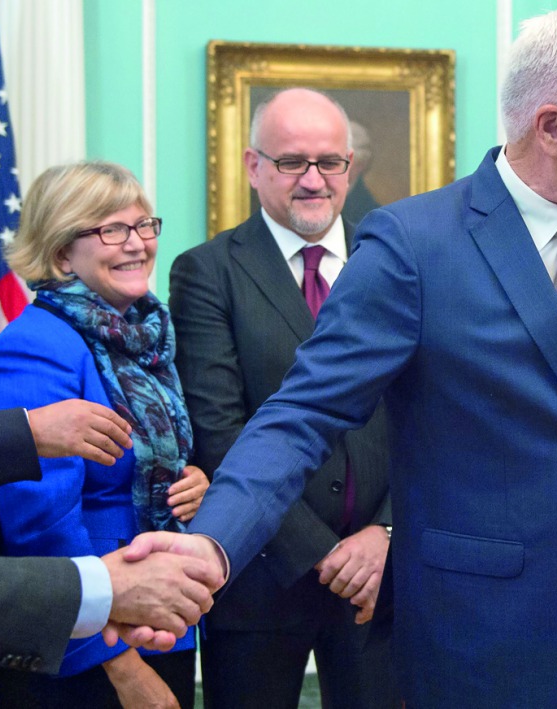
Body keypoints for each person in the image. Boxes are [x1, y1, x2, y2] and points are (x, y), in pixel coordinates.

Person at [130, 7, 557, 707]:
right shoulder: (415, 246)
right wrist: (214, 544)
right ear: (551, 125)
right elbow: (301, 415)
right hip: (492, 641)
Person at [168, 87, 394, 708]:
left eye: (330, 162)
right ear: (253, 166)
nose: (314, 180)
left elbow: (430, 415)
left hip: (381, 580)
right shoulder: (207, 271)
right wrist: (324, 556)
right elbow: (219, 429)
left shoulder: (397, 263)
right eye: (293, 162)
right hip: (260, 578)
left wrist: (385, 532)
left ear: (350, 166)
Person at [0, 162, 211, 708]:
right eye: (112, 230)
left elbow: (154, 459)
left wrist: (193, 483)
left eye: (144, 226)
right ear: (63, 253)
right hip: (89, 641)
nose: (136, 244)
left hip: (160, 615)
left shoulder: (145, 336)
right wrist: (119, 665)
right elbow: (38, 525)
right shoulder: (39, 343)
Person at [0, 403, 220, 675]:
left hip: (162, 604)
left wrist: (193, 480)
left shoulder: (160, 365)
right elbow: (38, 503)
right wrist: (103, 593)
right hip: (79, 629)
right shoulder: (54, 366)